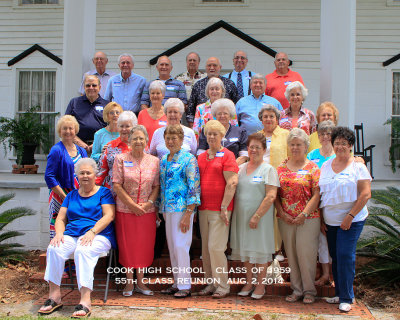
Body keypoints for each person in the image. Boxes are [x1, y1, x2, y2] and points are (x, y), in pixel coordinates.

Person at [39, 158, 115, 318]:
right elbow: (60, 219)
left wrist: (93, 232)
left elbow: (109, 216)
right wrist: (59, 233)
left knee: (82, 251)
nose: (85, 176)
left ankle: (85, 300)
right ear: (77, 176)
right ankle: (54, 296)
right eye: (82, 173)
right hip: (72, 235)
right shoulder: (71, 195)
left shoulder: (104, 192)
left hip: (98, 235)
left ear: (95, 175)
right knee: (54, 248)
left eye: (88, 173)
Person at [319, 127, 372, 312]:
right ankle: (339, 293)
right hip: (331, 221)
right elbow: (322, 193)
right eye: (337, 143)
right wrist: (321, 220)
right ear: (332, 145)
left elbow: (365, 194)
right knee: (335, 256)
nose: (340, 146)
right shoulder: (326, 165)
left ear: (350, 145)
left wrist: (350, 217)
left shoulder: (358, 166)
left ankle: (347, 297)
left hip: (352, 219)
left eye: (344, 143)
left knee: (345, 256)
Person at [230, 132, 279, 300]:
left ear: (264, 149)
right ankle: (249, 282)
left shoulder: (269, 169)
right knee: (246, 251)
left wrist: (257, 216)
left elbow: (271, 196)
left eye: (258, 147)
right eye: (251, 147)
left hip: (260, 219)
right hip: (241, 217)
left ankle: (260, 285)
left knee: (260, 252)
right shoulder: (241, 169)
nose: (254, 150)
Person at [113, 125, 160, 297]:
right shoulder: (120, 158)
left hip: (147, 212)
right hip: (126, 211)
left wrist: (148, 204)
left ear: (147, 141)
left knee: (143, 247)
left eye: (141, 138)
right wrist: (132, 205)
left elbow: (156, 186)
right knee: (127, 247)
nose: (138, 141)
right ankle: (128, 282)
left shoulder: (154, 161)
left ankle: (141, 282)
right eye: (135, 138)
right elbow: (117, 184)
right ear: (129, 141)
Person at [275, 128, 320, 304]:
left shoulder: (313, 168)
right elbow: (275, 195)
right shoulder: (280, 167)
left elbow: (317, 194)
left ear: (305, 146)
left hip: (308, 219)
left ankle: (309, 291)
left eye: (298, 144)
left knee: (306, 254)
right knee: (292, 255)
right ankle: (297, 289)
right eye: (292, 144)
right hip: (286, 219)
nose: (295, 147)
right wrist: (281, 212)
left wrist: (304, 213)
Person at [197, 120, 239, 299]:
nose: (212, 136)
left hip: (221, 209)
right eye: (209, 133)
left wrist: (224, 207)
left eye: (215, 133)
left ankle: (223, 285)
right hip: (203, 208)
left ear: (222, 136)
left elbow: (232, 182)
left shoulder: (228, 155)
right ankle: (211, 283)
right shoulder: (200, 156)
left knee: (216, 247)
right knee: (206, 249)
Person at [158, 125, 201, 298]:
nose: (171, 141)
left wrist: (189, 212)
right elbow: (162, 185)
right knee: (173, 248)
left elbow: (193, 186)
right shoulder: (164, 159)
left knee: (181, 246)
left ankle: (185, 286)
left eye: (174, 138)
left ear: (182, 140)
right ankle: (177, 282)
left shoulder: (189, 159)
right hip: (167, 209)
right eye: (168, 138)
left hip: (183, 209)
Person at [45, 115, 87, 239]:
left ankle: (73, 256)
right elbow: (49, 176)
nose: (68, 131)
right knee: (60, 226)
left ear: (75, 130)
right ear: (60, 131)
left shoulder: (81, 150)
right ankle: (59, 254)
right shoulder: (56, 150)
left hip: (78, 195)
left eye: (71, 128)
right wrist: (64, 196)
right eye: (64, 129)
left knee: (76, 224)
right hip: (60, 195)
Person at [256, 104, 289, 260]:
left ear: (277, 119)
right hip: (259, 179)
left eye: (271, 116)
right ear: (261, 119)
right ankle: (262, 247)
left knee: (277, 213)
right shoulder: (256, 136)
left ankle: (277, 250)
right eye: (265, 116)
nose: (268, 119)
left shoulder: (286, 135)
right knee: (262, 212)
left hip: (279, 179)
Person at [306, 120, 336, 286]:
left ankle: (333, 275)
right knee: (321, 241)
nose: (325, 137)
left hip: (332, 201)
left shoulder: (337, 155)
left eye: (328, 134)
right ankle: (324, 274)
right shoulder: (312, 155)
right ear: (318, 136)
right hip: (315, 201)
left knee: (332, 240)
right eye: (322, 134)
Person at [187, 57, 239, 126]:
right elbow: (191, 110)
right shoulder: (198, 85)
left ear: (220, 67)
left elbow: (236, 106)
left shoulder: (229, 84)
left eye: (214, 65)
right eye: (209, 65)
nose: (212, 68)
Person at [96, 111, 137, 192]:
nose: (124, 129)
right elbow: (101, 172)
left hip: (134, 191)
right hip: (111, 192)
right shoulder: (110, 146)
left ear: (134, 127)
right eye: (121, 126)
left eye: (127, 126)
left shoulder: (140, 146)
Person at [65, 75, 108, 153]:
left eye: (94, 85)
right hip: (77, 148)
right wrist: (81, 144)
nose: (91, 88)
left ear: (100, 87)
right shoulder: (74, 103)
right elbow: (66, 126)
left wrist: (96, 144)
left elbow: (111, 127)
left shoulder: (107, 105)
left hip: (100, 148)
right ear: (84, 87)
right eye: (88, 85)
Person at [198, 99, 248, 165]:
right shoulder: (207, 130)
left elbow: (244, 156)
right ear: (215, 115)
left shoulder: (240, 131)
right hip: (211, 167)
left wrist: (231, 166)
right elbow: (200, 154)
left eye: (225, 113)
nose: (222, 116)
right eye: (219, 113)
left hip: (234, 167)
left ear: (230, 116)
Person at [137, 80, 168, 146]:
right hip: (145, 151)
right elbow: (138, 134)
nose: (155, 96)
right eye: (152, 93)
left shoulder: (168, 113)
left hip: (162, 152)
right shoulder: (142, 114)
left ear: (163, 95)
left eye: (158, 93)